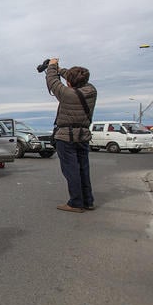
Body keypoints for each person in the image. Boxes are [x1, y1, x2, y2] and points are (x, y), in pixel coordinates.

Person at [45, 58, 97, 213]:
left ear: (69, 82)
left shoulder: (66, 94)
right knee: (83, 169)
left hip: (66, 137)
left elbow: (51, 80)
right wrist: (61, 69)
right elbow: (70, 77)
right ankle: (88, 201)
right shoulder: (91, 91)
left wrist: (52, 65)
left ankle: (75, 203)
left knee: (71, 170)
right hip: (83, 136)